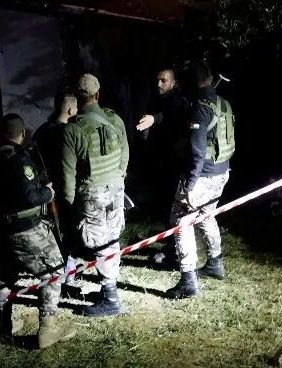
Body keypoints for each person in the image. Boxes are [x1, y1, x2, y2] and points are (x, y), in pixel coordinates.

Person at [0, 113, 77, 349]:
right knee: (53, 272)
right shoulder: (19, 160)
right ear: (22, 133)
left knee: (5, 276)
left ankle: (5, 326)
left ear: (1, 132)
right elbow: (31, 197)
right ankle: (47, 330)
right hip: (26, 229)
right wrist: (49, 192)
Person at [61, 74, 130, 317]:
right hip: (116, 188)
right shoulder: (115, 119)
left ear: (77, 99)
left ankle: (110, 298)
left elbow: (68, 174)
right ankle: (109, 290)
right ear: (98, 95)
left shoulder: (72, 129)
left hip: (92, 194)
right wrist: (118, 180)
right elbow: (125, 155)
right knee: (111, 238)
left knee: (100, 243)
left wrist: (70, 204)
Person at [166, 60, 235, 300]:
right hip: (221, 173)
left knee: (181, 220)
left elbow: (197, 150)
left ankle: (188, 281)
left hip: (203, 175)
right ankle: (215, 263)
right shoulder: (223, 103)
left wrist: (190, 183)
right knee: (207, 215)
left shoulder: (201, 108)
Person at [135, 68, 192, 263]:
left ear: (173, 83)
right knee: (164, 207)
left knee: (172, 208)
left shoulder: (178, 102)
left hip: (174, 165)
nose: (158, 84)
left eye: (163, 81)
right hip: (162, 163)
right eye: (157, 80)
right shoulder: (157, 99)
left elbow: (174, 117)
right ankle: (170, 245)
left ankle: (172, 251)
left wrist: (155, 118)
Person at [33, 92, 78, 283]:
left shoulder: (41, 131)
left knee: (53, 230)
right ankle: (68, 266)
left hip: (45, 190)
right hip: (63, 187)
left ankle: (61, 264)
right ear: (71, 110)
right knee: (66, 228)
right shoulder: (67, 132)